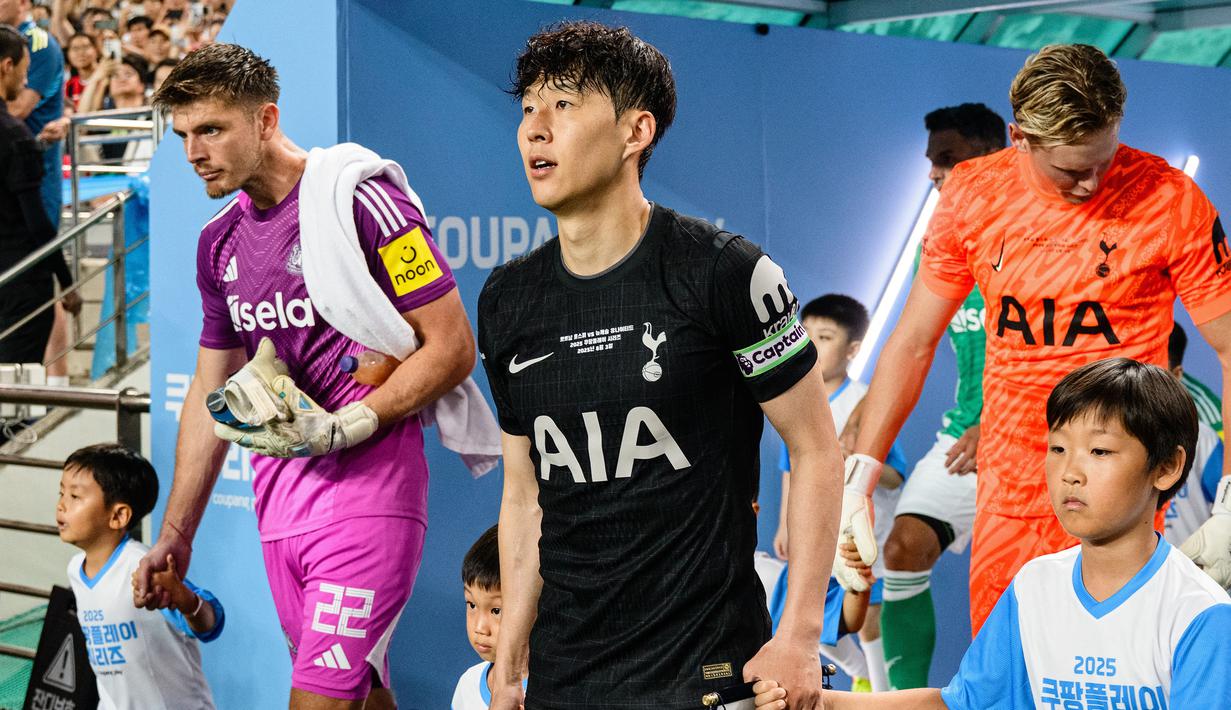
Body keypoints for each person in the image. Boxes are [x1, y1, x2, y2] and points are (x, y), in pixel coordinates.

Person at [478, 20, 843, 710]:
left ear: (634, 132)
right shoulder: (506, 298)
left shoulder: (723, 271)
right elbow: (524, 495)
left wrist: (798, 634)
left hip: (703, 671)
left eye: (563, 106)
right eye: (527, 108)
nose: (534, 129)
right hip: (566, 676)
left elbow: (817, 449)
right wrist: (507, 664)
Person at [843, 43, 1231, 635]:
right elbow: (914, 339)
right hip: (1012, 483)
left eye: (1102, 159)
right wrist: (862, 475)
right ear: (1018, 135)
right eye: (1070, 170)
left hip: (1121, 483)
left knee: (1113, 677)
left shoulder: (1169, 198)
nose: (1090, 182)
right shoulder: (972, 196)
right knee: (1004, 679)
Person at [134, 43, 475, 710]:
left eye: (211, 130)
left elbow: (452, 347)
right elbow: (210, 401)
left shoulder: (365, 203)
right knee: (364, 693)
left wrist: (349, 422)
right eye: (183, 135)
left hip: (368, 502)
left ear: (265, 119)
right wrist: (176, 535)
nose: (193, 152)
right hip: (279, 506)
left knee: (317, 701)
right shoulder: (217, 244)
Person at [756, 358, 1231, 709]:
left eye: (1100, 452)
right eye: (1058, 448)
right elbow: (962, 704)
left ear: (1167, 467)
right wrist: (820, 702)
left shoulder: (1200, 614)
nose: (1070, 472)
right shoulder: (1033, 588)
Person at [864, 103, 1005, 691]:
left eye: (945, 159)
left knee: (1021, 580)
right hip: (962, 437)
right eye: (931, 161)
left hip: (1035, 435)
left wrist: (999, 423)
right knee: (903, 547)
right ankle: (903, 700)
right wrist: (866, 433)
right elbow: (913, 343)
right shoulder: (940, 241)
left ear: (993, 153)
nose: (932, 174)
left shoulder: (1032, 228)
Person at [774, 294, 908, 692]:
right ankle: (862, 675)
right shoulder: (795, 401)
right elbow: (790, 467)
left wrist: (858, 458)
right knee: (806, 615)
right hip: (814, 534)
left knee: (865, 617)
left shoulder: (866, 404)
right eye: (806, 335)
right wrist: (785, 525)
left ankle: (880, 692)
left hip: (859, 534)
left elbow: (895, 475)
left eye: (825, 337)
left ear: (852, 349)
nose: (812, 346)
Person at [58, 443, 223, 710]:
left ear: (118, 515)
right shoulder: (75, 569)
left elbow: (211, 622)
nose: (62, 505)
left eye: (75, 497)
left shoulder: (143, 566)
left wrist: (182, 597)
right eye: (61, 492)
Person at [0, 23, 76, 364]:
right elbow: (37, 223)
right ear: (7, 67)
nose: (26, 81)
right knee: (17, 383)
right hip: (19, 278)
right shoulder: (14, 136)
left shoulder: (19, 139)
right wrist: (67, 281)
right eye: (25, 71)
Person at [0, 0, 65, 228]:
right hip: (7, 168)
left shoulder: (40, 43)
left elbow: (17, 109)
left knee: (35, 251)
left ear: (23, 3)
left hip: (35, 172)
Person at [1165, 323, 1225, 548]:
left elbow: (1224, 501)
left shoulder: (1204, 433)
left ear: (1176, 373)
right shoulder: (1103, 433)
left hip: (1191, 571)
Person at [453, 525, 508, 710]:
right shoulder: (468, 683)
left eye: (496, 611)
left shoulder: (555, 693)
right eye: (472, 605)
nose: (480, 628)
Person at [62, 31, 97, 109]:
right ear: (68, 54)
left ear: (96, 50)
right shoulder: (68, 86)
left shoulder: (107, 80)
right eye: (75, 49)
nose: (81, 53)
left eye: (85, 47)